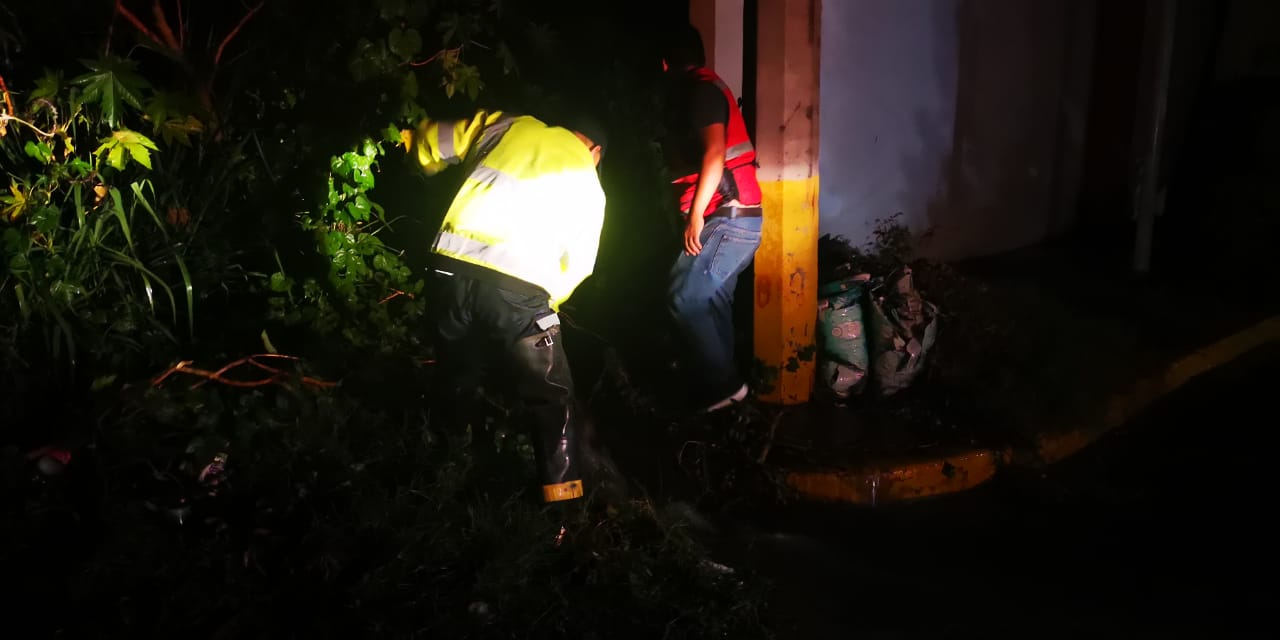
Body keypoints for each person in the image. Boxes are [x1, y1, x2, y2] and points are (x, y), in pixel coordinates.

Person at [400, 109, 608, 504]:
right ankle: (563, 507)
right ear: (595, 151)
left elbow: (433, 141)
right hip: (519, 288)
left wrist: (410, 148)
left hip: (449, 270)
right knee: (552, 398)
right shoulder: (589, 182)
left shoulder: (512, 124)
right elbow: (581, 266)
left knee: (456, 373)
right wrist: (546, 303)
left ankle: (442, 473)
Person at [660, 25, 764, 413]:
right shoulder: (706, 88)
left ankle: (727, 387)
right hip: (739, 217)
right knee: (713, 301)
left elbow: (715, 153)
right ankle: (727, 398)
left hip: (725, 216)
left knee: (685, 297)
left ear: (665, 64)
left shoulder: (701, 93)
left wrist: (696, 217)